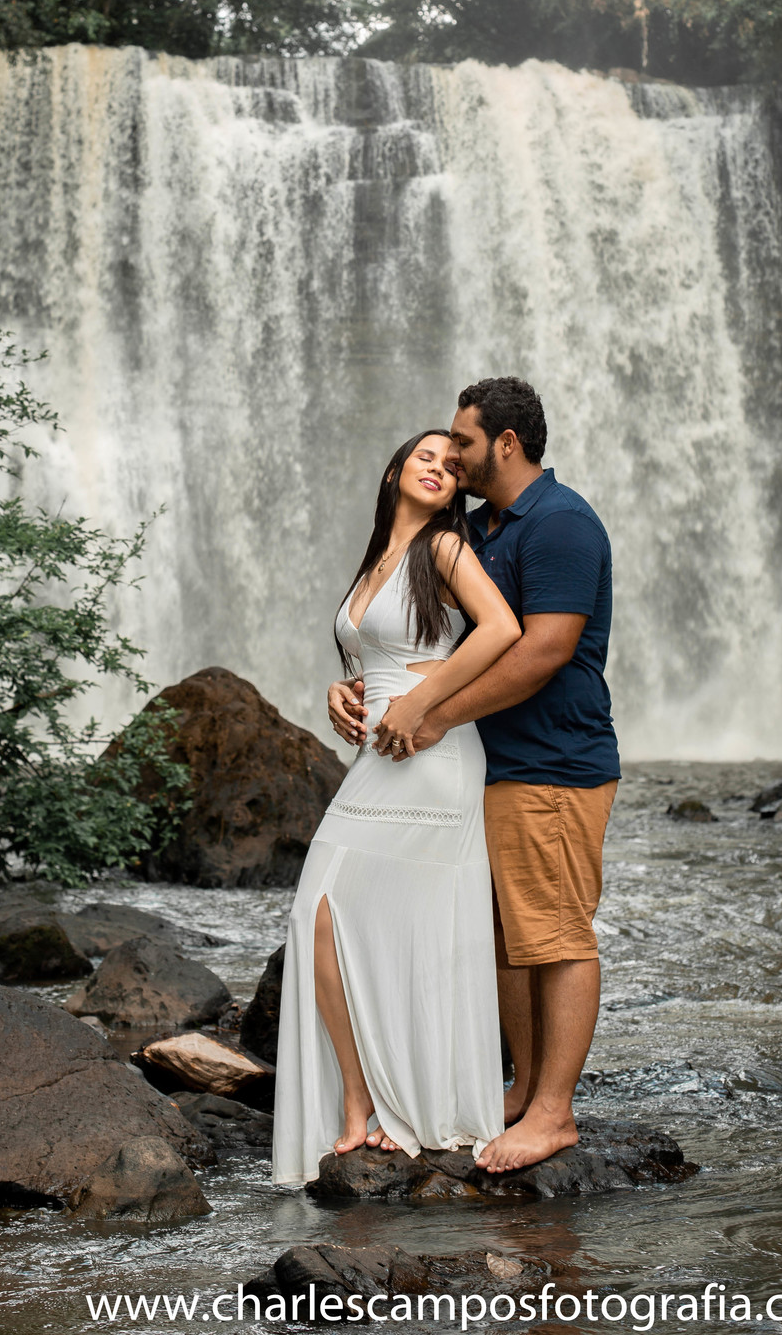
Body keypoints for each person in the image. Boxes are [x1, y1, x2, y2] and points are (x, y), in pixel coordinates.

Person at [329, 377, 619, 1173]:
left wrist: (432, 713)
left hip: (553, 763)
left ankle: (554, 1113)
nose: (450, 453)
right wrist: (360, 686)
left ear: (507, 444)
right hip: (486, 767)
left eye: (461, 440)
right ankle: (525, 1089)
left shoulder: (559, 524)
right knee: (503, 936)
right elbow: (426, 636)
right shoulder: (483, 526)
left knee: (555, 933)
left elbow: (543, 648)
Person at [271, 429, 521, 1187]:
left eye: (453, 465)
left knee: (388, 918)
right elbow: (371, 651)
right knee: (320, 912)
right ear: (393, 471)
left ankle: (405, 1106)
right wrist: (338, 689)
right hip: (380, 757)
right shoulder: (377, 558)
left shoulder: (444, 550)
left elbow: (502, 629)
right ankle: (359, 1101)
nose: (441, 468)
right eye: (426, 457)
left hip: (432, 755)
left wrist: (419, 699)